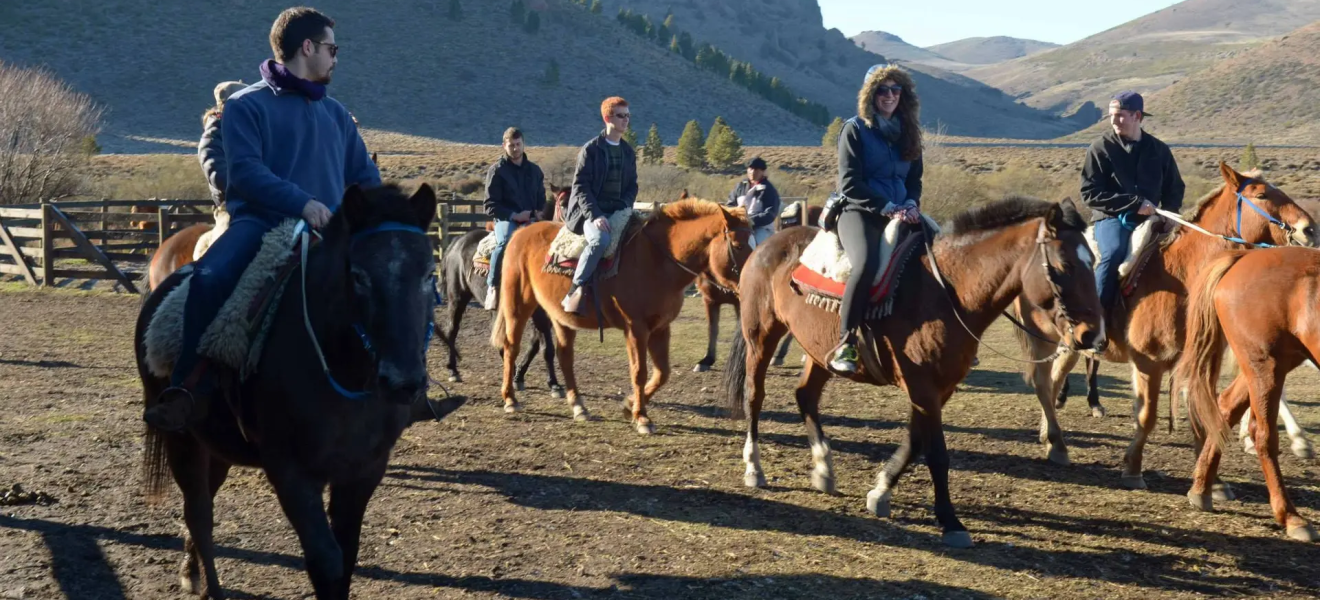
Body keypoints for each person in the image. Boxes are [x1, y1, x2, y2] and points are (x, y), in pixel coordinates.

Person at [144, 6, 381, 431]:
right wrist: (303, 203)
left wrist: (382, 217)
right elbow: (248, 173)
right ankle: (186, 387)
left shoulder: (337, 115)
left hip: (328, 229)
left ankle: (402, 385)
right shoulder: (245, 105)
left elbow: (366, 178)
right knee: (210, 276)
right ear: (306, 47)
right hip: (260, 224)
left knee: (395, 281)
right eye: (331, 47)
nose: (336, 57)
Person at [828, 64, 924, 375]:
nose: (890, 96)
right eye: (883, 90)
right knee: (867, 263)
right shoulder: (854, 129)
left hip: (901, 209)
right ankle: (847, 341)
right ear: (871, 94)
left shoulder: (909, 133)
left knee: (941, 256)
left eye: (896, 90)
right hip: (858, 210)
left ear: (904, 95)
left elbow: (915, 179)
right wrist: (886, 206)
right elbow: (850, 183)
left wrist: (910, 202)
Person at [1080, 91, 1185, 312]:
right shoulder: (1100, 148)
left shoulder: (1159, 149)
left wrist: (1170, 213)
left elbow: (1174, 187)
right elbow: (1090, 193)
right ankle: (1098, 319)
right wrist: (1134, 203)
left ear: (1137, 116)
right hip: (1111, 218)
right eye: (1111, 115)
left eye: (1120, 115)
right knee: (1113, 253)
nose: (1114, 120)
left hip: (1155, 217)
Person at [561, 96, 638, 315]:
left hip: (619, 210)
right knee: (600, 240)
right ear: (607, 118)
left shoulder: (628, 152)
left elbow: (632, 186)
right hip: (591, 213)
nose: (626, 120)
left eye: (628, 116)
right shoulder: (591, 150)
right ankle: (575, 290)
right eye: (621, 116)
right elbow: (581, 187)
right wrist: (595, 215)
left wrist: (624, 207)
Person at [481, 127, 546, 310]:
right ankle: (492, 287)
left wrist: (539, 211)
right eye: (511, 145)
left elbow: (541, 198)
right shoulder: (496, 171)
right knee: (507, 241)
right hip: (506, 219)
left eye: (518, 144)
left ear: (524, 144)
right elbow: (489, 204)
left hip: (531, 218)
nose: (516, 149)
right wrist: (514, 215)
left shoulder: (535, 171)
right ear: (504, 146)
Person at [726, 156, 780, 247]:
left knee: (755, 245)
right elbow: (730, 204)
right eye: (750, 169)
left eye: (756, 169)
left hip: (761, 228)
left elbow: (770, 213)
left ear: (763, 172)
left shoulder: (769, 190)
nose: (753, 172)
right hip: (739, 225)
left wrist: (750, 220)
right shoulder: (740, 186)